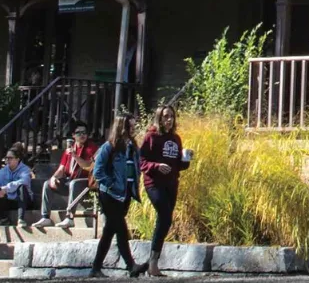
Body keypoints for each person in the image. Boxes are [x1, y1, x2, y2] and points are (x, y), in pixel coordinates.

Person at [138, 105, 192, 278]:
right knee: (165, 216)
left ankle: (152, 262)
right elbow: (141, 161)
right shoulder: (151, 136)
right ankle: (152, 263)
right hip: (154, 184)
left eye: (171, 116)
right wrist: (156, 166)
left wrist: (187, 158)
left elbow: (178, 166)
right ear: (159, 118)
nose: (169, 119)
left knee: (165, 221)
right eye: (165, 116)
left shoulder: (176, 138)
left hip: (171, 184)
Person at [89, 116, 143, 278]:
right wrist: (111, 183)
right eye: (130, 126)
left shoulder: (133, 147)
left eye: (134, 126)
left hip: (125, 194)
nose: (134, 129)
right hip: (110, 194)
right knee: (120, 228)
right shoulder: (109, 147)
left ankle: (96, 268)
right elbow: (98, 171)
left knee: (110, 231)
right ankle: (131, 265)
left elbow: (136, 167)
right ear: (122, 127)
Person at [35, 126, 99, 227]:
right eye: (79, 133)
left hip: (86, 182)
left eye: (84, 132)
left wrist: (75, 156)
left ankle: (69, 218)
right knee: (47, 184)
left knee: (74, 183)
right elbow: (61, 169)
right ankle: (45, 217)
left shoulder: (91, 148)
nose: (82, 135)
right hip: (70, 180)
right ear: (73, 135)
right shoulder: (69, 150)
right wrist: (54, 178)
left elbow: (88, 165)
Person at [0, 144, 33, 224]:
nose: (7, 160)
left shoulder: (25, 170)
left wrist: (6, 189)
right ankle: (4, 218)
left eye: (10, 158)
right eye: (6, 158)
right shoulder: (2, 171)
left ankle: (20, 219)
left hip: (23, 201)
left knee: (21, 187)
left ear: (17, 159)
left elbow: (24, 181)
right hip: (8, 200)